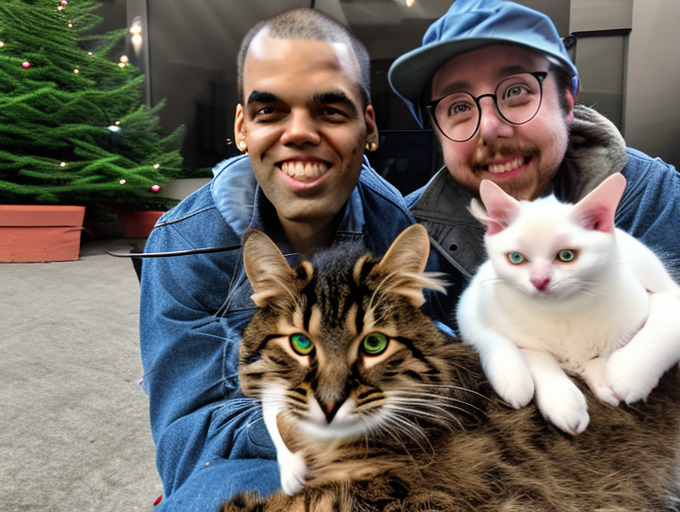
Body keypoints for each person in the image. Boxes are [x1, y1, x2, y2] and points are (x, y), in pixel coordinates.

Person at [138, 8, 431, 510]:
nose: (299, 132)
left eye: (330, 111)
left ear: (369, 128)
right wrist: (286, 421)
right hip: (245, 454)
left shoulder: (392, 226)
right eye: (270, 111)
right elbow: (187, 443)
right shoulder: (183, 243)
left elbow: (427, 372)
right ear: (242, 128)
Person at [388, 0, 680, 278]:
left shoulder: (654, 199)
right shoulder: (405, 232)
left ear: (566, 103)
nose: (489, 128)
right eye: (459, 107)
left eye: (516, 91)